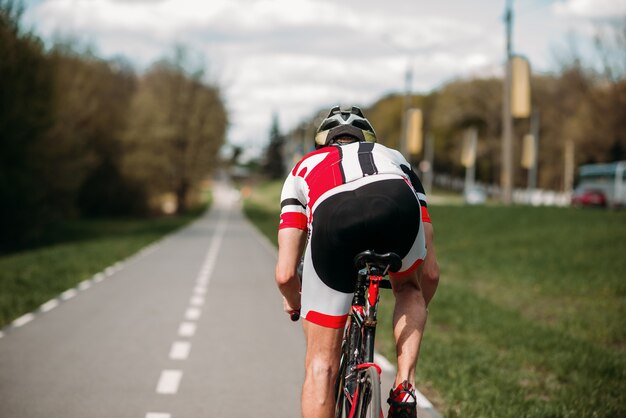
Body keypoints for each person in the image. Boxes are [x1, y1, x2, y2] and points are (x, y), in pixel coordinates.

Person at [275, 106, 439, 418]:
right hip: (396, 200)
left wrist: (295, 304)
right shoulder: (393, 157)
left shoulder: (302, 168)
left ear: (322, 143)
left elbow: (285, 274)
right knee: (408, 287)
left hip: (333, 217)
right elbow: (429, 272)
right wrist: (414, 300)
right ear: (368, 139)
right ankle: (404, 384)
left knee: (320, 365)